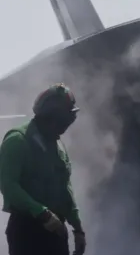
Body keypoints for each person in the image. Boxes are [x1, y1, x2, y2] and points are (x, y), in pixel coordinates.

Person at [0, 83, 86, 255]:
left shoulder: (58, 146)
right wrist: (42, 213)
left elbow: (65, 189)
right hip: (27, 231)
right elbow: (8, 185)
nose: (65, 127)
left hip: (55, 231)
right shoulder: (18, 140)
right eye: (62, 121)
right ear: (50, 116)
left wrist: (77, 228)